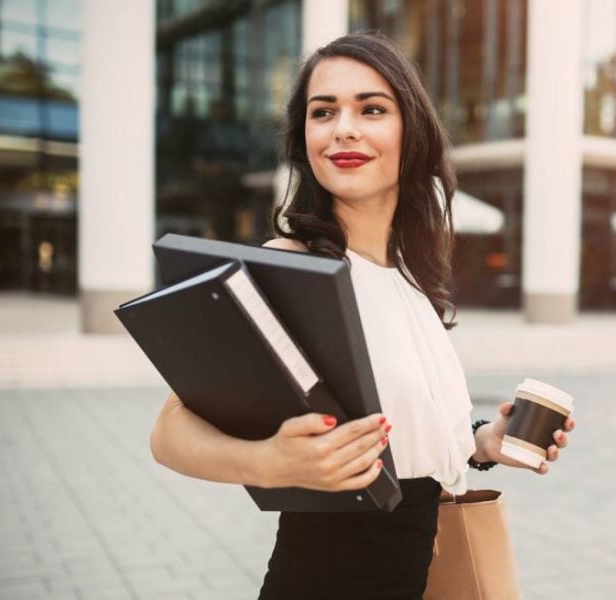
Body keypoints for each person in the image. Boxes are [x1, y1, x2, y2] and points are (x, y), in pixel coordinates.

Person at [148, 33, 577, 599]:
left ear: (412, 132)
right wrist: (272, 462)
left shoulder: (409, 274)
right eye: (323, 112)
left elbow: (405, 440)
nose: (343, 128)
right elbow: (168, 432)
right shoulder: (289, 266)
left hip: (423, 569)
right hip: (332, 577)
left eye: (371, 109)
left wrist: (485, 442)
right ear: (305, 140)